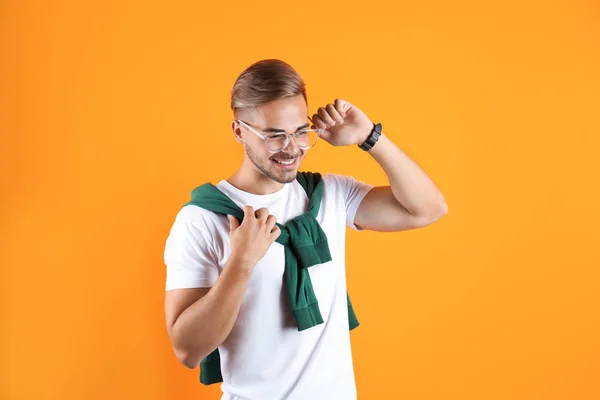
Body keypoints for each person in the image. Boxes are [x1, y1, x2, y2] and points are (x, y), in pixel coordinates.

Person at [163, 59, 448, 400]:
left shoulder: (329, 196)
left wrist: (370, 137)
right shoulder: (203, 219)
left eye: (300, 132)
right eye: (274, 136)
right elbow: (187, 350)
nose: (292, 149)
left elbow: (428, 209)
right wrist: (241, 264)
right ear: (239, 131)